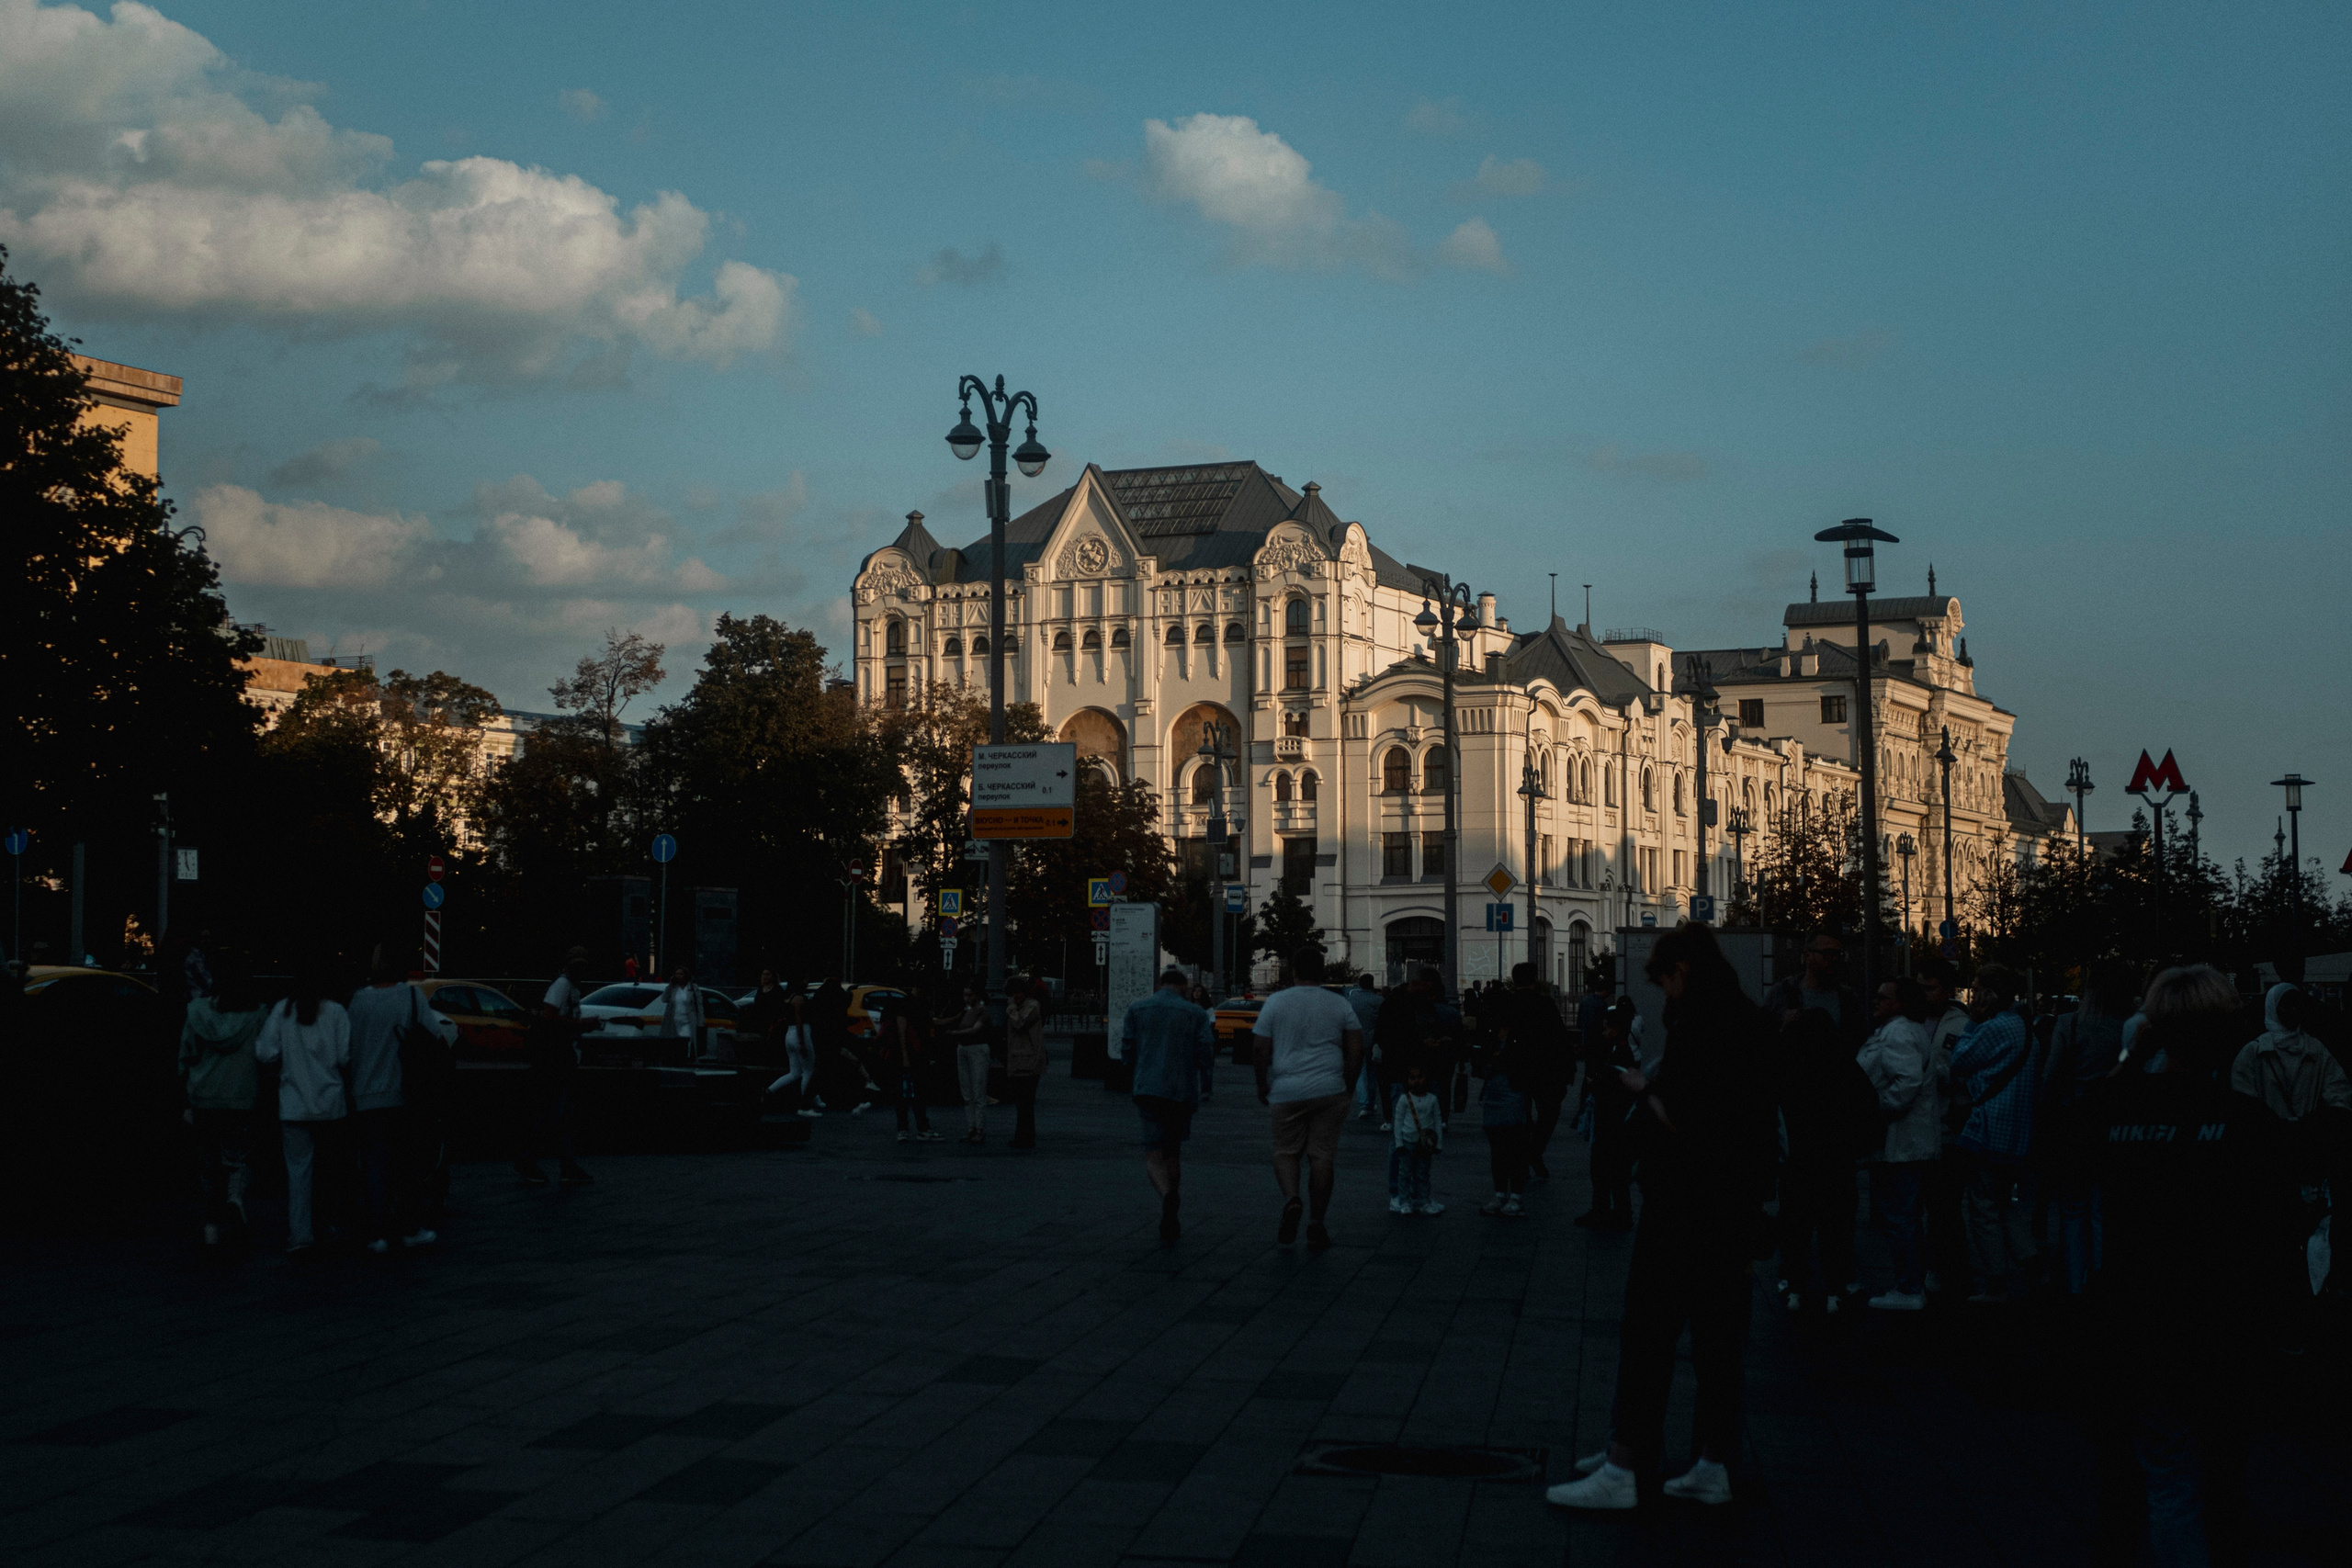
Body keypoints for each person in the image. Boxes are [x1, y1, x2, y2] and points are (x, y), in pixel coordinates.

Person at [1549, 922, 1775, 1511]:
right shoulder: (1749, 1019)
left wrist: (1642, 1088)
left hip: (1684, 1202)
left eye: (1668, 982)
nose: (1666, 992)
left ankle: (1624, 1465)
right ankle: (1712, 1465)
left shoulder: (1701, 1024)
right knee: (1719, 1343)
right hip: (1734, 1205)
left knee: (1648, 1333)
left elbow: (1684, 1116)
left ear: (1684, 971)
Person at [2087, 964, 2280, 1567]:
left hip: (2135, 1319)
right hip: (2220, 1323)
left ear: (2154, 1029)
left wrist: (2130, 1055)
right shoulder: (2246, 1122)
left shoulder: (2115, 1107)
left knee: (2145, 1473)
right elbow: (2271, 1231)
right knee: (2222, 1474)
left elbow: (2065, 1138)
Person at [1252, 948, 1364, 1252]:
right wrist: (1349, 1084)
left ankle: (1292, 1199)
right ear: (1322, 971)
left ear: (1293, 971)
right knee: (1322, 1156)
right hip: (1330, 1088)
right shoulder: (1339, 1004)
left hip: (1286, 1089)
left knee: (1286, 1152)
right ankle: (1316, 1224)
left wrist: (1262, 1084)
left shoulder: (1276, 1002)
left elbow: (1260, 1048)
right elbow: (1357, 1047)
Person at [2041, 959, 2140, 1294]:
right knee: (2102, 1208)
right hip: (2115, 1124)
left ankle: (2075, 1283)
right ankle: (2101, 1276)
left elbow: (2050, 1077)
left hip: (2074, 1123)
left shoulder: (2069, 1024)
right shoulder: (2129, 1027)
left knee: (2073, 1208)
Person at [1775, 1001, 1878, 1313]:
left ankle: (1794, 1285)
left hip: (1798, 1161)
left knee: (1796, 1225)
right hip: (1836, 1161)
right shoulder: (1843, 1065)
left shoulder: (1790, 1065)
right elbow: (1867, 1107)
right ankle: (1836, 1288)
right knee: (1836, 1226)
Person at [1948, 964, 2040, 1303]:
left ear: (1989, 993)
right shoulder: (2024, 1027)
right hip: (2018, 1133)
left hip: (1989, 1130)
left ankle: (1997, 1282)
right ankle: (2033, 1266)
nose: (1972, 995)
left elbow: (1959, 1060)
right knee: (2007, 1205)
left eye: (1975, 989)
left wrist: (1972, 1022)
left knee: (1983, 1207)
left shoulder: (1994, 1027)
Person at [254, 958, 352, 1255]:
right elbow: (345, 1057)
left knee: (298, 1174)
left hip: (294, 1105)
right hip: (330, 1105)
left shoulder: (283, 1010)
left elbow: (265, 1052)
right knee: (328, 1172)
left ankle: (300, 1235)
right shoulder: (336, 1012)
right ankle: (325, 1227)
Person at [345, 944, 437, 1253]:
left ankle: (378, 1231)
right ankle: (410, 1227)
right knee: (406, 1162)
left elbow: (348, 1047)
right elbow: (434, 1037)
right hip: (401, 1093)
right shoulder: (411, 997)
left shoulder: (358, 1000)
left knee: (374, 1165)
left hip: (364, 1095)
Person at [1122, 967, 1218, 1243]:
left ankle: (1166, 1196)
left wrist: (1135, 1073)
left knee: (1153, 1153)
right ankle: (1173, 1195)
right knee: (1173, 1151)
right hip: (1181, 1090)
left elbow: (1127, 1049)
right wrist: (1205, 1085)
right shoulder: (1196, 1013)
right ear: (1184, 987)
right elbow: (1206, 1053)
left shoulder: (1137, 1009)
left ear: (1160, 984)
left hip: (1148, 1089)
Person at [1858, 976, 1936, 1310]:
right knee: (1905, 1216)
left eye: (1883, 997)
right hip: (1904, 1141)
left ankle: (1909, 1287)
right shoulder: (1904, 1030)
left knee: (1901, 1217)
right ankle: (1911, 1284)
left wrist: (1877, 1109)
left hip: (1899, 1142)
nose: (1875, 1001)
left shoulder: (1899, 1033)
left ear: (1900, 1004)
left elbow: (1906, 1081)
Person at [179, 949, 265, 1247]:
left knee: (208, 1165)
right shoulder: (258, 1014)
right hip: (242, 1097)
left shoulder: (196, 1012)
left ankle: (211, 1227)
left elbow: (186, 1055)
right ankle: (235, 1198)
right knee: (239, 1157)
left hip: (204, 1097)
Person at [519, 946, 598, 1187]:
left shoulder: (569, 985)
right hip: (557, 1057)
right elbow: (549, 1015)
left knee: (559, 1113)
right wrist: (580, 1024)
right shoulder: (563, 985)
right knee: (556, 1111)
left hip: (561, 1056)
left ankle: (562, 1163)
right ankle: (532, 1160)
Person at [1919, 957, 1973, 1294]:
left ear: (1947, 990)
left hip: (1949, 1127)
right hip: (1922, 1125)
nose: (1925, 995)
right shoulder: (1914, 1019)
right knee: (1931, 1205)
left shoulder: (1962, 1024)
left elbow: (1966, 1071)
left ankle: (1951, 1268)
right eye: (1922, 988)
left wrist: (1935, 1074)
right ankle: (1938, 1265)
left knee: (1946, 1206)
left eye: (1931, 988)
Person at [1505, 963, 1574, 1179]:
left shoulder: (1509, 1004)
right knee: (1549, 1114)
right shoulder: (1545, 1004)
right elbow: (1560, 1038)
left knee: (1521, 1117)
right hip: (1545, 1070)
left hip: (1516, 1070)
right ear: (1534, 979)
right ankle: (1535, 1151)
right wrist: (1567, 1068)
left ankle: (1523, 1158)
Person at [1576, 998, 1639, 1230]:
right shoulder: (1620, 1052)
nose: (1603, 1032)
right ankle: (1615, 1212)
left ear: (1616, 1030)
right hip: (1614, 1122)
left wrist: (1595, 1083)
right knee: (1613, 1171)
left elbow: (1613, 1088)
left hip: (1611, 1123)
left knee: (1606, 1169)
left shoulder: (1619, 1055)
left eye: (1606, 1028)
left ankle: (1608, 1211)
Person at [1477, 1002, 1536, 1217]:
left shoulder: (1519, 1039)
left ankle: (1515, 1196)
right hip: (1495, 1094)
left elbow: (1521, 1064)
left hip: (1511, 1093)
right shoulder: (1491, 1037)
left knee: (1514, 1147)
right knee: (1498, 1149)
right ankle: (1501, 1194)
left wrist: (1497, 1060)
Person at [1763, 927, 1865, 1049]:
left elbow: (1858, 1040)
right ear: (1807, 956)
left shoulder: (1848, 999)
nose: (1835, 959)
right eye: (1828, 954)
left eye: (1838, 955)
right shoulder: (1782, 993)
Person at [883, 997, 944, 1143]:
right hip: (914, 1056)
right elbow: (904, 1031)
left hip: (907, 1056)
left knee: (903, 1093)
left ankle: (903, 1129)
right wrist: (905, 1057)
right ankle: (920, 1128)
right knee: (917, 1093)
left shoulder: (904, 1005)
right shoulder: (912, 1006)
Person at [1388, 1062, 1444, 1214]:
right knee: (1405, 1173)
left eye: (1420, 1077)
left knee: (1422, 1173)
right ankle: (1405, 1201)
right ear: (1407, 1080)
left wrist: (1438, 1143)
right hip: (1408, 1141)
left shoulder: (1432, 1099)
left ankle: (1423, 1201)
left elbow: (1437, 1120)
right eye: (1412, 1078)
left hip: (1424, 1143)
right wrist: (1399, 1143)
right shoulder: (1404, 1099)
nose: (1416, 1081)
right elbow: (1398, 1122)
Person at [938, 985, 991, 1144]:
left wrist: (954, 1033)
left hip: (976, 1048)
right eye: (965, 995)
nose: (966, 998)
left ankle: (979, 1128)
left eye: (970, 995)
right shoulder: (966, 1011)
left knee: (978, 1090)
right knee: (967, 1092)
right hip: (964, 1048)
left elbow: (976, 1029)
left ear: (977, 995)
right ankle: (972, 1127)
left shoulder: (982, 1011)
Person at [1004, 977, 1046, 1148]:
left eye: (1018, 993)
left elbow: (1020, 1023)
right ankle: (1023, 1135)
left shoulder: (1032, 1007)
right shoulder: (1024, 1006)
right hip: (1019, 1059)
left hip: (1029, 1061)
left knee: (1026, 1103)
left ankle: (1025, 1137)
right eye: (1013, 993)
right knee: (1022, 1103)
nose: (1016, 996)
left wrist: (1011, 1008)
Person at [1345, 972, 1385, 1121]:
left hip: (1355, 1040)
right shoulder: (1378, 1000)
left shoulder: (1351, 1000)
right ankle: (1371, 1103)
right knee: (1373, 1073)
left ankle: (1364, 1104)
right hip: (1373, 1040)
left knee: (1360, 1073)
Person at [660, 964, 706, 1057]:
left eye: (681, 974)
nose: (679, 976)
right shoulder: (673, 988)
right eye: (677, 974)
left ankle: (686, 1058)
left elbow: (699, 1006)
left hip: (688, 1021)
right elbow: (664, 999)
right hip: (674, 1021)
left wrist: (700, 1022)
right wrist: (670, 985)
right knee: (674, 1044)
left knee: (686, 1041)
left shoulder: (693, 988)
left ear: (686, 975)